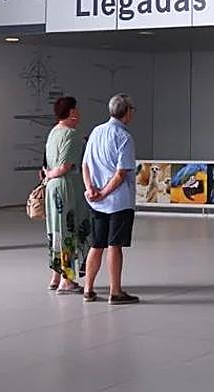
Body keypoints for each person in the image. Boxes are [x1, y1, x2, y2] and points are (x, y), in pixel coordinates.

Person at [82, 94, 140, 304]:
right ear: (126, 112)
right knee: (115, 245)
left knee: (96, 245)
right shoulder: (124, 137)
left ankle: (88, 289)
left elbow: (85, 165)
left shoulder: (96, 131)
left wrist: (91, 190)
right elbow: (121, 173)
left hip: (96, 201)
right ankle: (115, 291)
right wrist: (105, 192)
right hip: (118, 201)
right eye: (132, 109)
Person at [42, 96, 89, 293]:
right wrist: (52, 175)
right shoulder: (72, 135)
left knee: (57, 230)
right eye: (76, 109)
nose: (78, 112)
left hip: (53, 188)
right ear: (71, 112)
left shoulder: (54, 132)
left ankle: (56, 276)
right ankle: (67, 280)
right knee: (68, 231)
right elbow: (65, 166)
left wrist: (47, 177)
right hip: (66, 186)